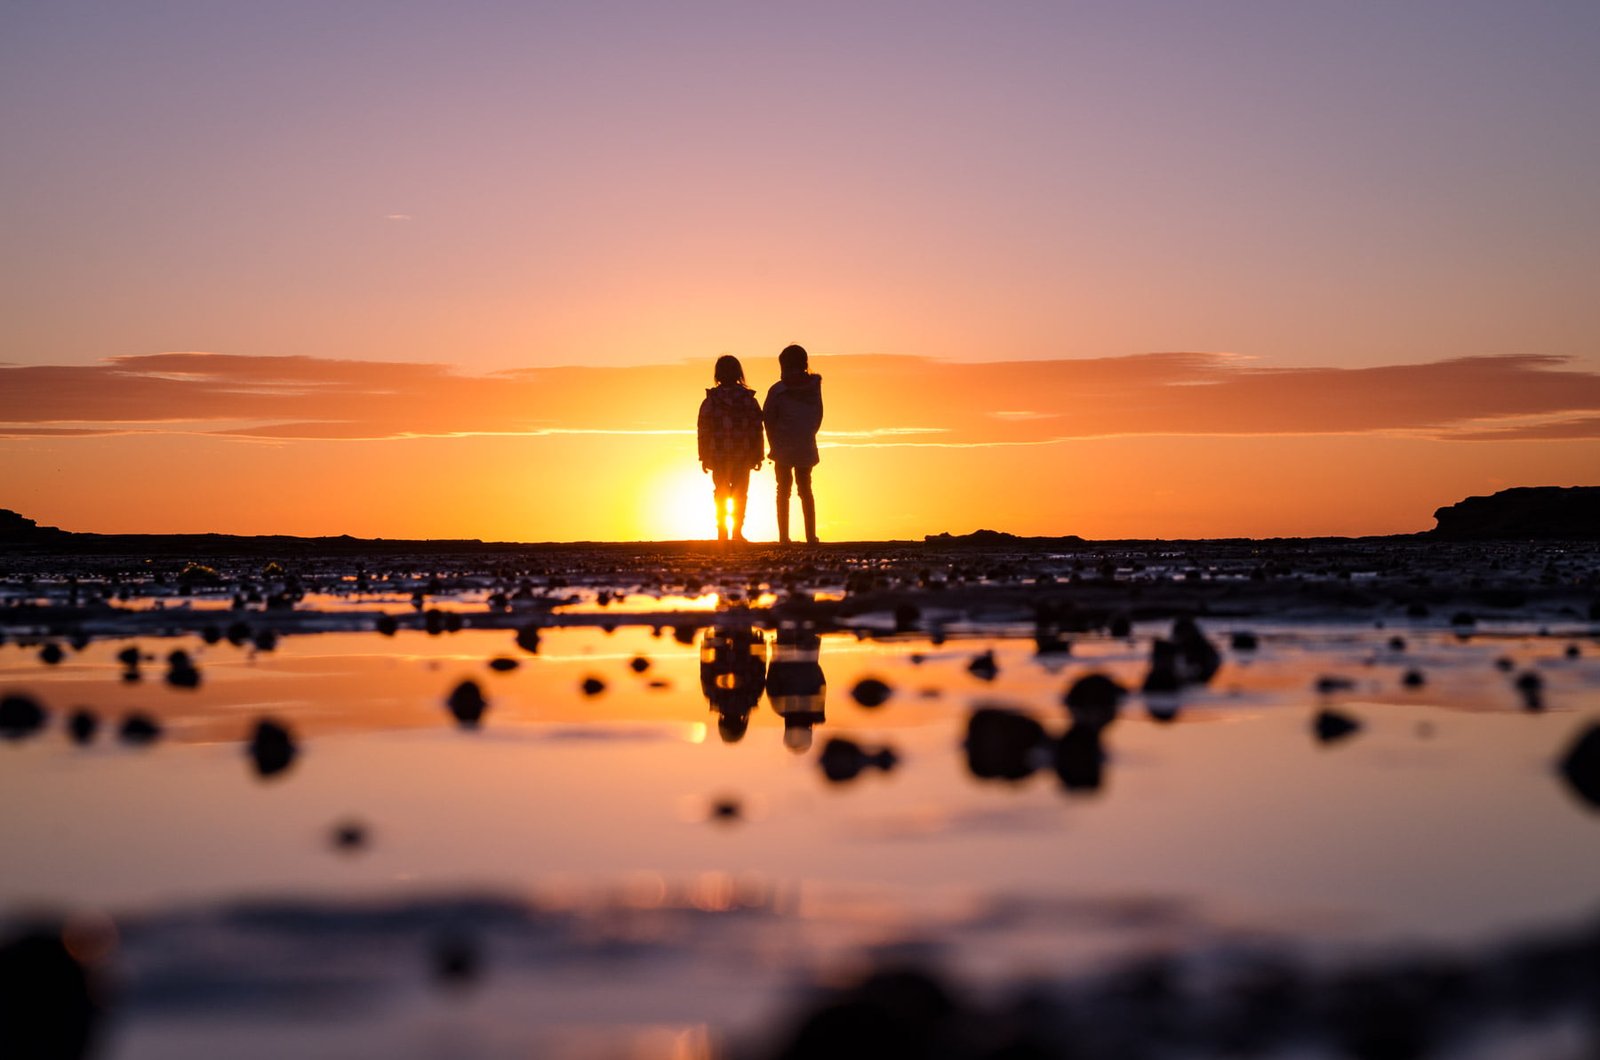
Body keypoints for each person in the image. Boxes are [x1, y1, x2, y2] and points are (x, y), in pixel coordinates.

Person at [696, 355, 764, 542]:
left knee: (721, 492)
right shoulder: (748, 400)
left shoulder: (711, 400)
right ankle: (735, 532)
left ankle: (723, 531)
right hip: (742, 455)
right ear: (739, 374)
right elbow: (757, 429)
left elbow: (703, 430)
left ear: (717, 375)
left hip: (719, 455)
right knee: (740, 494)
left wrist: (704, 455)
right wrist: (758, 455)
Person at [762, 344, 823, 544]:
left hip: (782, 445)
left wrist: (774, 441)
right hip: (805, 444)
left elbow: (768, 417)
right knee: (806, 490)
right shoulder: (813, 389)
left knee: (783, 490)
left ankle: (783, 537)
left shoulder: (778, 390)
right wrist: (807, 434)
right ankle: (811, 536)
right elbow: (818, 416)